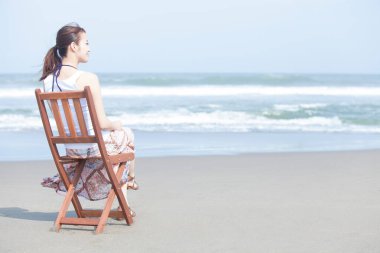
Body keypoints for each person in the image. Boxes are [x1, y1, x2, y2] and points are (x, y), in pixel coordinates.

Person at [40, 22, 138, 216]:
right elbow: (102, 123)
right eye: (86, 42)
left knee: (117, 145)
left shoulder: (47, 81)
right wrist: (116, 124)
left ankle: (124, 202)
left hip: (71, 148)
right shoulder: (88, 78)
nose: (89, 48)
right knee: (126, 134)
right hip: (93, 147)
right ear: (74, 47)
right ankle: (131, 178)